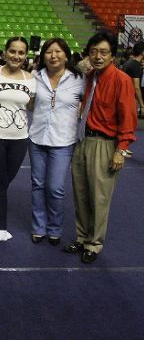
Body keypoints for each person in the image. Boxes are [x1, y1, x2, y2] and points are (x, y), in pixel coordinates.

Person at [64, 30, 137, 264]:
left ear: (112, 56)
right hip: (82, 140)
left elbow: (128, 117)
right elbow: (75, 67)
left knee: (99, 197)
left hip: (105, 144)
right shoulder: (89, 77)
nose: (98, 56)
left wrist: (121, 149)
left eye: (103, 52)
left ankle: (94, 244)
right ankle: (82, 236)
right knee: (81, 194)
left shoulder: (121, 80)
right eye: (94, 51)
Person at [28, 38, 85, 246]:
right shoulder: (35, 76)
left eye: (58, 51)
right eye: (49, 52)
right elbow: (30, 103)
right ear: (43, 56)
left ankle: (54, 228)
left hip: (63, 141)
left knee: (55, 188)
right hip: (37, 138)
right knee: (38, 185)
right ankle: (38, 227)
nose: (53, 56)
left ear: (66, 55)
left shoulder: (78, 79)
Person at [0, 36, 36, 244]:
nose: (16, 56)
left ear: (26, 56)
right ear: (5, 52)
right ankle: (2, 230)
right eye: (12, 51)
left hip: (19, 139)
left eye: (21, 53)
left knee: (3, 183)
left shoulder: (31, 79)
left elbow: (32, 107)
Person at [120, 41, 144, 117]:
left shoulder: (128, 63)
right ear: (142, 52)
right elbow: (136, 88)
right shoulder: (135, 65)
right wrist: (142, 105)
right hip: (129, 100)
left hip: (123, 98)